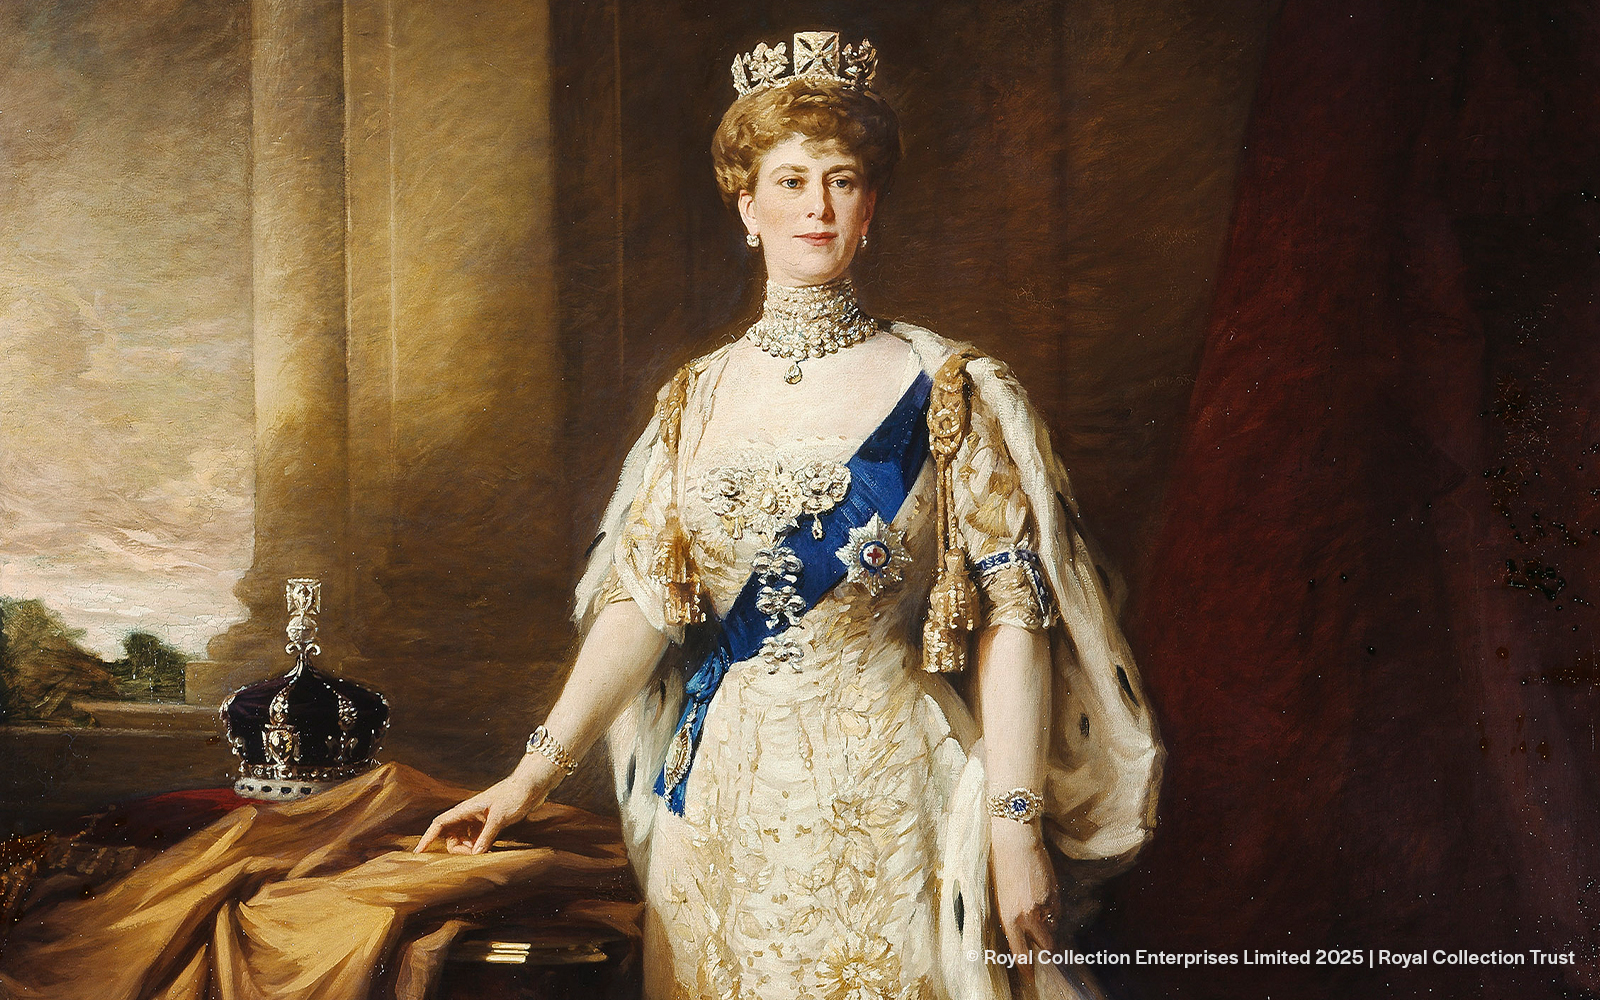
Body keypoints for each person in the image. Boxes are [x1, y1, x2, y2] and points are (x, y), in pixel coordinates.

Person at [417, 30, 1161, 1000]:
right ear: (746, 205)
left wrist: (1014, 827)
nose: (817, 205)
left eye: (842, 180)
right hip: (717, 811)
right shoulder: (693, 397)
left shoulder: (944, 389)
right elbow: (642, 606)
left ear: (870, 208)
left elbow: (1011, 619)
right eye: (792, 179)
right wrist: (526, 781)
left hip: (892, 802)